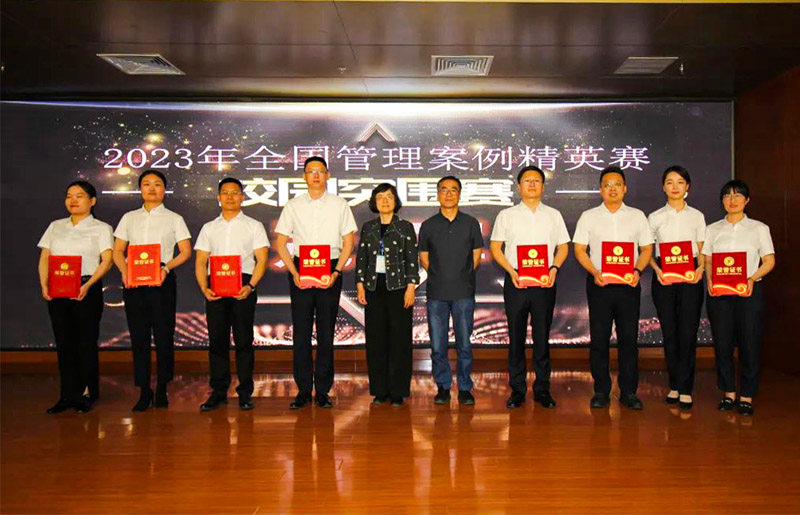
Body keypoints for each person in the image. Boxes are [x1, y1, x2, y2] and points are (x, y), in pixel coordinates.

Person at [274, 156, 357, 409]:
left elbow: (348, 241)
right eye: (311, 171)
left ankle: (322, 390)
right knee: (300, 332)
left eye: (320, 171)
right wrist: (294, 272)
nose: (316, 176)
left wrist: (337, 271)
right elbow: (281, 242)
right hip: (301, 268)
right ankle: (302, 390)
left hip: (329, 268)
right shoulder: (293, 205)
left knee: (325, 332)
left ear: (328, 175)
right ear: (304, 176)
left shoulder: (340, 204)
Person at [573, 165, 654, 410]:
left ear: (625, 188)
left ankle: (629, 391)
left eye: (617, 184)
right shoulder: (589, 216)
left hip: (628, 285)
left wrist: (637, 271)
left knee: (628, 339)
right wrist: (594, 272)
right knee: (599, 339)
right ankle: (601, 391)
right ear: (600, 190)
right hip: (600, 284)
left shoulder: (637, 216)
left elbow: (646, 248)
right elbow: (579, 249)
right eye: (607, 185)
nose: (612, 189)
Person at [489, 165, 569, 409]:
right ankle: (517, 390)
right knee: (516, 338)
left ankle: (542, 389)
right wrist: (511, 271)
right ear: (518, 187)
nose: (532, 184)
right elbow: (495, 247)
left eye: (536, 180)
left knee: (542, 338)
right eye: (527, 180)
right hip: (516, 282)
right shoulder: (506, 215)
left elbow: (563, 246)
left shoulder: (554, 215)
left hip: (545, 283)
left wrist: (554, 268)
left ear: (543, 186)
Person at [113, 169, 192, 412]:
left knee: (164, 334)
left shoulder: (174, 218)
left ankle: (162, 388)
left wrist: (166, 268)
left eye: (157, 184)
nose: (151, 188)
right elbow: (118, 250)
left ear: (164, 190)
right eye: (146, 184)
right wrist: (124, 271)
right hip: (134, 280)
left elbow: (185, 251)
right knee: (139, 335)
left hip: (161, 278)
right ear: (140, 189)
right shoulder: (129, 218)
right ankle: (144, 389)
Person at [37, 180, 114, 413]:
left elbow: (107, 260)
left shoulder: (101, 228)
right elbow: (45, 257)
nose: (73, 200)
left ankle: (86, 393)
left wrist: (89, 284)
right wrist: (44, 284)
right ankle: (67, 395)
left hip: (86, 287)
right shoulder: (55, 226)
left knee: (86, 341)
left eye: (79, 196)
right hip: (58, 287)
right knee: (64, 342)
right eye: (69, 196)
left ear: (92, 201)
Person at [194, 178, 269, 412]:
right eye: (225, 192)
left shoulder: (254, 225)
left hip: (243, 286)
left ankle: (245, 393)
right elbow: (201, 261)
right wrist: (204, 288)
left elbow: (262, 259)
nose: (229, 197)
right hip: (215, 286)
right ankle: (218, 392)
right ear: (218, 197)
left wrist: (251, 286)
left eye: (235, 192)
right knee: (217, 341)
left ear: (242, 197)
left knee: (244, 341)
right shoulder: (209, 227)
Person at [703, 179, 775, 416]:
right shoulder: (712, 229)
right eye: (727, 196)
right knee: (722, 343)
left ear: (747, 200)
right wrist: (710, 279)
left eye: (737, 195)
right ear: (722, 201)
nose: (732, 200)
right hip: (720, 294)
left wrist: (752, 278)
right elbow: (708, 260)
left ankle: (746, 396)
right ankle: (728, 393)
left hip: (748, 293)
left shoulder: (759, 228)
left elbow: (769, 260)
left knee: (749, 343)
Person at [419, 176, 484, 406]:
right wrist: (441, 275)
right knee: (438, 345)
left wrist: (459, 275)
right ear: (438, 194)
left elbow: (476, 256)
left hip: (463, 292)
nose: (448, 194)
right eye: (444, 190)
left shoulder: (470, 223)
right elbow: (424, 258)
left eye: (453, 190)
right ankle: (443, 386)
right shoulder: (428, 225)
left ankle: (465, 388)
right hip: (437, 293)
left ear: (459, 194)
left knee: (464, 344)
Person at [648, 166, 706, 410]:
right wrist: (657, 270)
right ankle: (674, 385)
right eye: (670, 182)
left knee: (688, 332)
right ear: (663, 187)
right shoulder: (654, 217)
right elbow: (647, 251)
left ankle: (686, 388)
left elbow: (702, 249)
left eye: (680, 182)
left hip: (691, 275)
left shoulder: (697, 216)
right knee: (670, 332)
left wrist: (701, 270)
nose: (675, 186)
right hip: (664, 275)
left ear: (687, 186)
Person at [355, 183, 419, 407]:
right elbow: (361, 257)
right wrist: (360, 285)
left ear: (395, 201)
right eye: (380, 197)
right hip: (374, 288)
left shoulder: (405, 227)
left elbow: (412, 259)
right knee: (376, 340)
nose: (384, 201)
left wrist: (411, 287)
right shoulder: (368, 227)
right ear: (374, 202)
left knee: (400, 340)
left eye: (389, 197)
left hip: (399, 288)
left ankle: (398, 390)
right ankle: (380, 391)